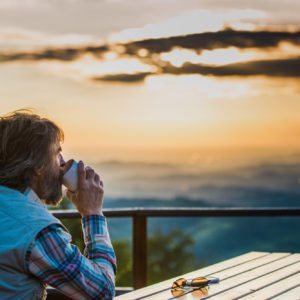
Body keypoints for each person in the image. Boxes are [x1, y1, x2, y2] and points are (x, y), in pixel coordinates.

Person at [0, 109, 116, 300]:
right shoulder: (35, 230)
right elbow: (101, 292)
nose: (63, 164)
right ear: (37, 165)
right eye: (57, 154)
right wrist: (92, 213)